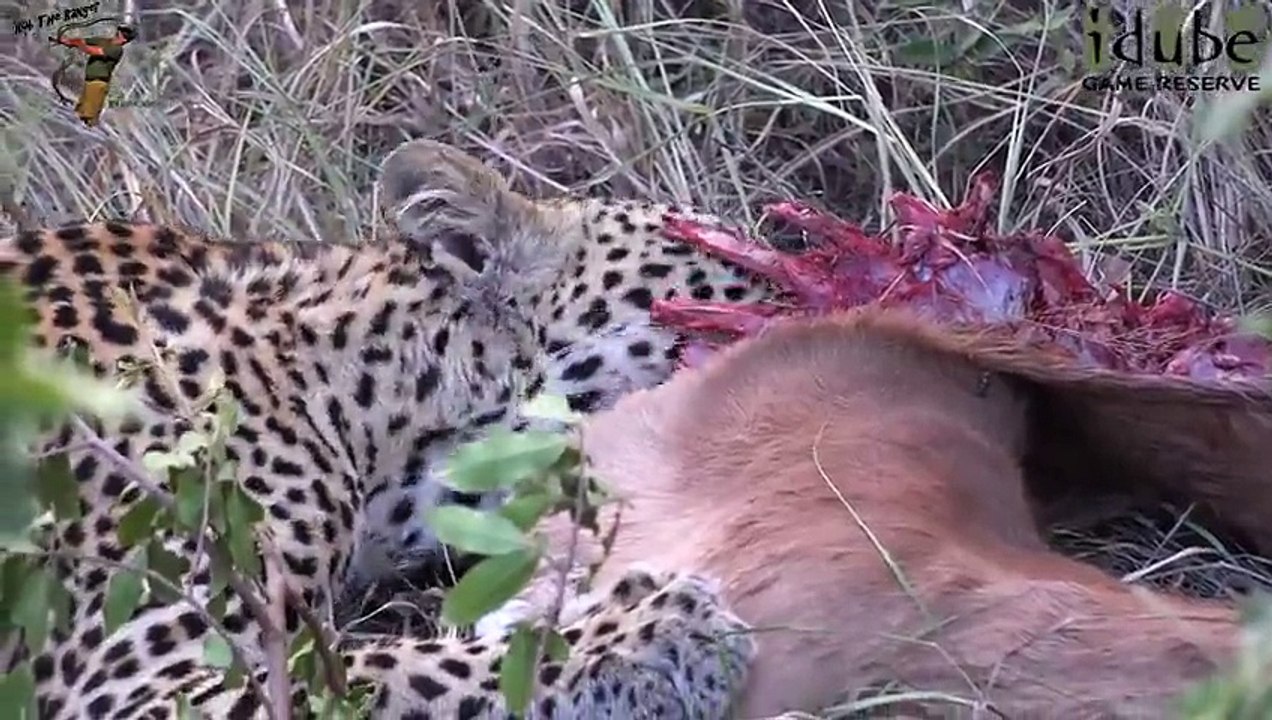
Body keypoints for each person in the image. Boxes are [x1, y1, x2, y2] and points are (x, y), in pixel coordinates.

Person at [49, 24, 136, 127]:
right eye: (119, 32)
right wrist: (64, 41)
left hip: (98, 81)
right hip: (88, 79)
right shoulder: (104, 41)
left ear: (124, 39)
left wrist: (79, 44)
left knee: (89, 114)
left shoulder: (116, 50)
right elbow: (85, 41)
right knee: (81, 107)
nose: (117, 34)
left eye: (121, 34)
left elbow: (93, 51)